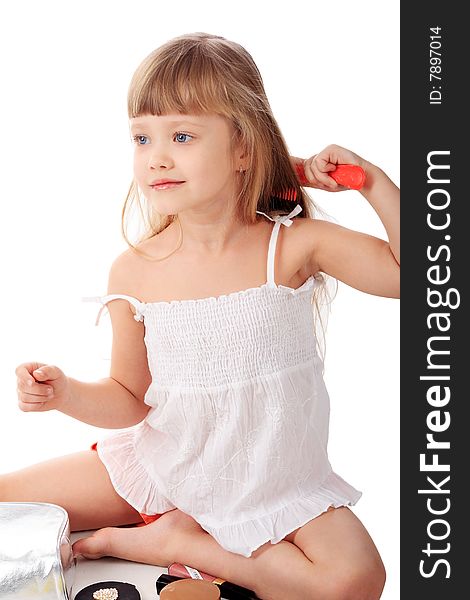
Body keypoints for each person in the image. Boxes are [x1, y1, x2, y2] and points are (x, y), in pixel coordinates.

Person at [2, 33, 399, 600]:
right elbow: (127, 396)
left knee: (355, 581)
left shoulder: (291, 248)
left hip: (272, 487)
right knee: (7, 497)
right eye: (142, 137)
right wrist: (65, 394)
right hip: (162, 466)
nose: (157, 157)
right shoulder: (135, 270)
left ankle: (183, 544)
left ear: (243, 149)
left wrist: (372, 183)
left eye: (182, 136)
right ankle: (173, 523)